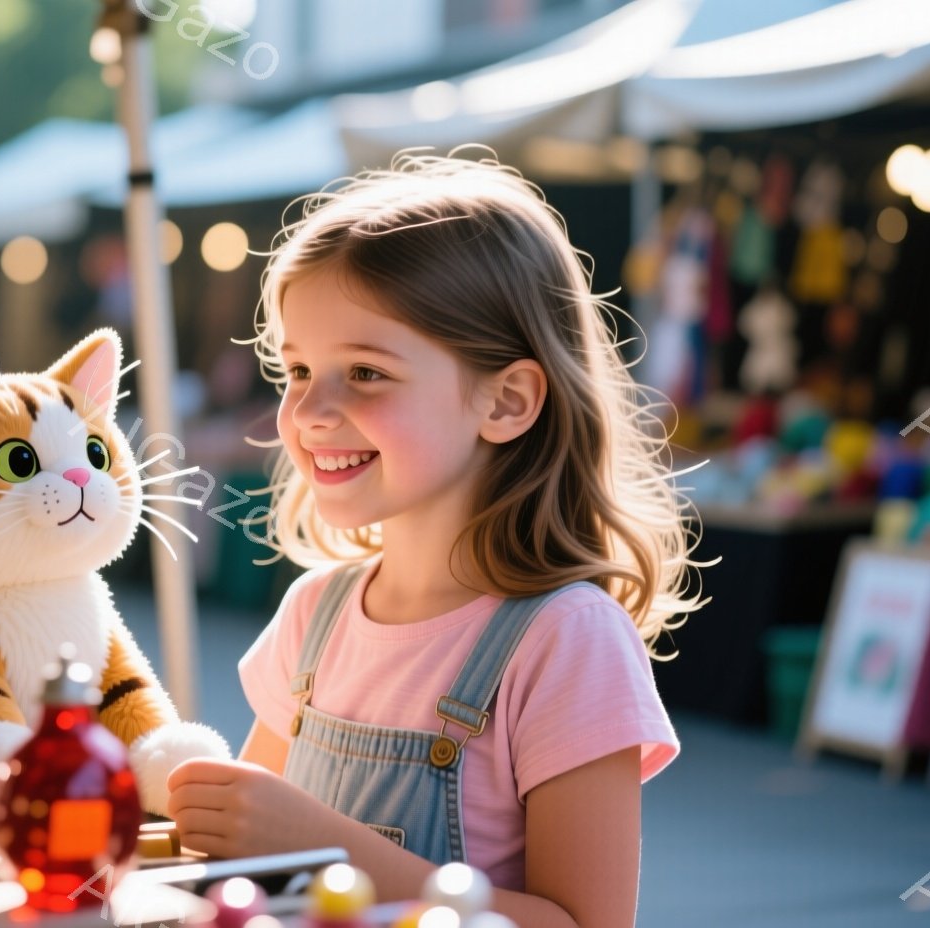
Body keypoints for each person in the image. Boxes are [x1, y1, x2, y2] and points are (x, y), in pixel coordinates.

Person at [166, 154, 704, 925]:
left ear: (507, 400)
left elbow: (586, 922)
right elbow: (248, 861)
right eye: (297, 370)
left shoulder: (567, 639)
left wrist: (330, 850)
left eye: (366, 373)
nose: (311, 411)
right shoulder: (313, 612)